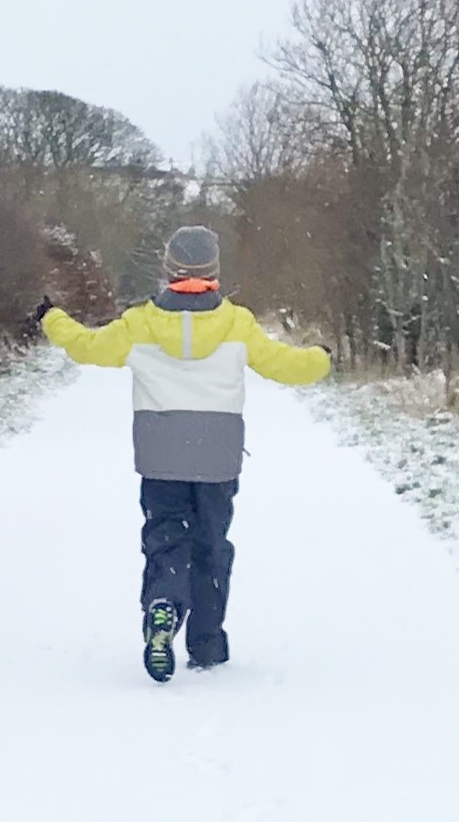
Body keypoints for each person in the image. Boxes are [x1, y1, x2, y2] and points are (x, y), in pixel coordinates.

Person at [37, 225, 332, 682]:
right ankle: (208, 645)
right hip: (217, 454)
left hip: (160, 452)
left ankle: (163, 606)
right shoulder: (237, 323)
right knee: (212, 544)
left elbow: (87, 347)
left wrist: (51, 318)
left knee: (165, 536)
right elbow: (285, 365)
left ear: (168, 269)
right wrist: (323, 357)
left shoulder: (140, 324)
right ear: (214, 271)